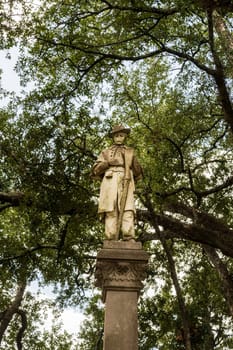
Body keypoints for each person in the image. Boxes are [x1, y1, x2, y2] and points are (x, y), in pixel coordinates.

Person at [92, 125, 143, 240]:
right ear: (113, 137)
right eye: (116, 135)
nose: (119, 138)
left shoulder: (130, 151)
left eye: (121, 135)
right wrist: (107, 163)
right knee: (110, 209)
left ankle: (129, 237)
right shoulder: (105, 152)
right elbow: (95, 170)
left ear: (125, 137)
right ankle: (110, 238)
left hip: (126, 180)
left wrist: (133, 161)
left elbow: (138, 173)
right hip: (110, 180)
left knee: (128, 209)